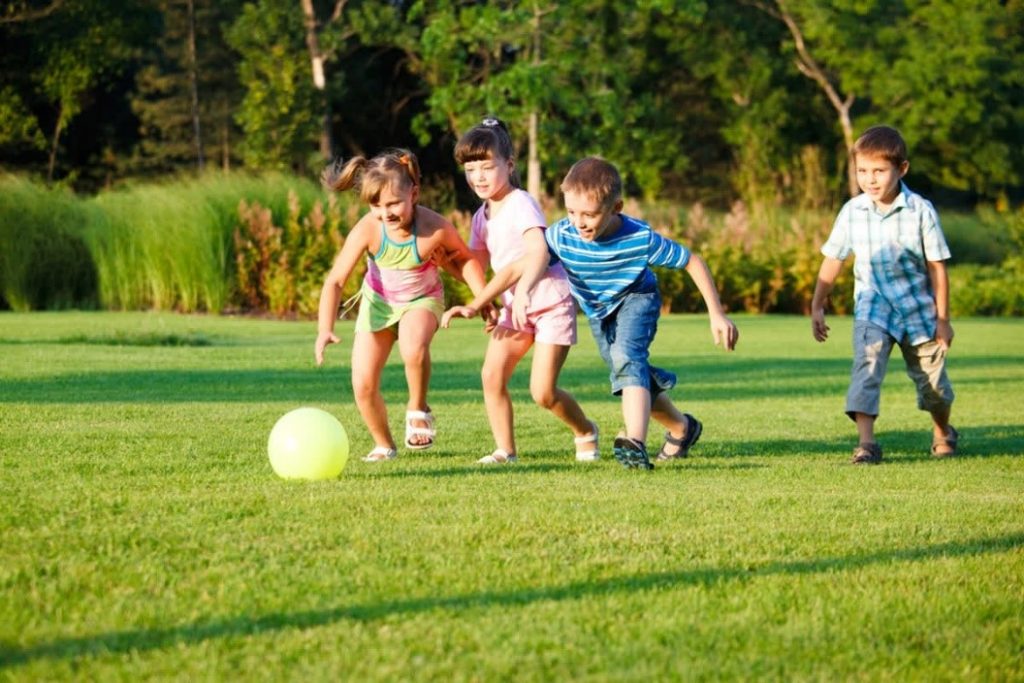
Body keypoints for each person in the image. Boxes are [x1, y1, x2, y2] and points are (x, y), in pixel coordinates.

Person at [444, 156, 738, 470]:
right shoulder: (563, 234)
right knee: (629, 372)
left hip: (637, 298)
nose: (580, 222)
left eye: (590, 214)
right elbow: (521, 264)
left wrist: (716, 314)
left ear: (616, 208)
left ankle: (634, 443)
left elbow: (692, 260)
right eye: (571, 212)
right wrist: (478, 303)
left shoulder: (640, 238)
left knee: (627, 357)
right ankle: (682, 428)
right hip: (599, 311)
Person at [315, 148, 488, 462]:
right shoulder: (369, 229)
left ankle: (417, 407)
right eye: (376, 205)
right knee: (363, 383)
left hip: (422, 300)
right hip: (378, 304)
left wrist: (483, 299)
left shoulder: (433, 227)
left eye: (394, 203)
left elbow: (465, 262)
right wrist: (325, 328)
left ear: (414, 194)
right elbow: (336, 281)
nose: (386, 213)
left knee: (413, 346)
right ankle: (384, 444)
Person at [448, 116, 597, 465]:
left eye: (487, 167)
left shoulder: (521, 203)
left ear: (509, 165)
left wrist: (524, 290)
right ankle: (505, 450)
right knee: (491, 374)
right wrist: (479, 302)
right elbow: (476, 265)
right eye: (471, 169)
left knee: (542, 392)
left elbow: (538, 251)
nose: (479, 177)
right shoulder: (480, 217)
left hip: (549, 302)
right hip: (514, 307)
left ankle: (585, 430)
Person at [811, 125, 957, 464]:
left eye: (879, 171)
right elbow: (834, 259)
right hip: (873, 307)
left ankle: (943, 431)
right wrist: (818, 305)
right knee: (867, 366)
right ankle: (867, 444)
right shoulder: (852, 211)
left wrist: (943, 319)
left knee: (934, 388)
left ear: (901, 169)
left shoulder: (921, 210)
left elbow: (937, 267)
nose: (870, 179)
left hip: (918, 311)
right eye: (863, 171)